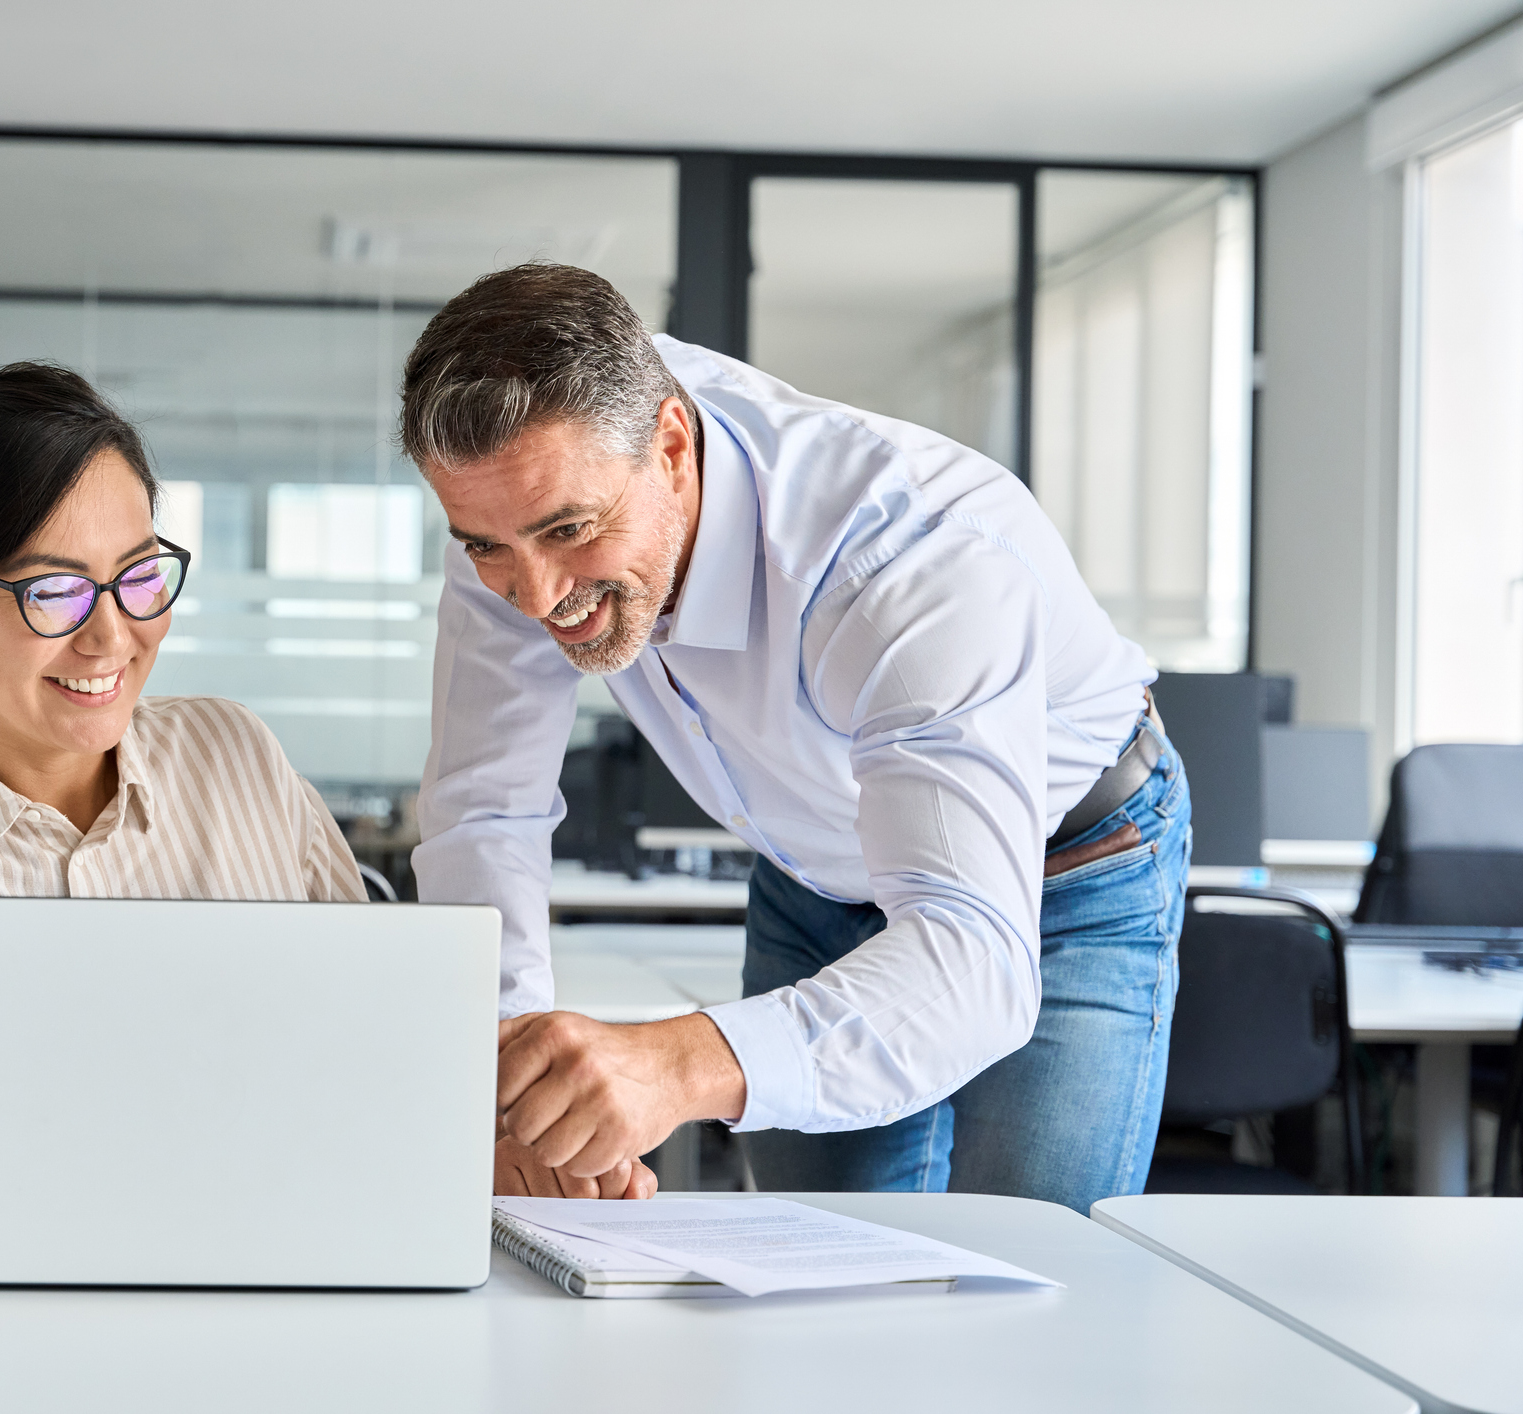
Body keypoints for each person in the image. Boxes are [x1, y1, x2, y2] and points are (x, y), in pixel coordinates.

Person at [407, 264, 1190, 1211]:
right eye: (485, 547)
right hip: (812, 868)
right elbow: (486, 807)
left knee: (1030, 1256)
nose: (534, 597)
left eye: (571, 531)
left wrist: (672, 1064)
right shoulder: (519, 495)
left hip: (1060, 871)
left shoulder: (909, 558)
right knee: (816, 1265)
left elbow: (968, 964)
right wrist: (519, 1082)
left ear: (669, 446)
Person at [0, 363, 365, 1234]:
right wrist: (177, 1142)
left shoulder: (236, 758)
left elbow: (362, 1036)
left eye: (139, 575)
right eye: (53, 591)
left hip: (256, 1265)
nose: (112, 635)